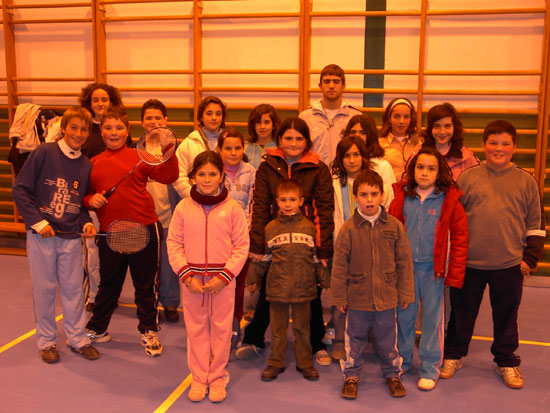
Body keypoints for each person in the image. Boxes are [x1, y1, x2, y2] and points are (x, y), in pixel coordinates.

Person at [440, 120, 545, 390]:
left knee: (506, 316)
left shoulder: (526, 181)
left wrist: (528, 260)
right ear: (484, 146)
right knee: (461, 315)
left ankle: (506, 361)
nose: (499, 148)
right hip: (469, 264)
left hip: (508, 265)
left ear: (514, 148)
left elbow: (536, 224)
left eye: (505, 143)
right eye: (493, 143)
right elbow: (455, 221)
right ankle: (453, 355)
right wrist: (454, 257)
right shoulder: (469, 177)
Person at [236, 117, 334, 367]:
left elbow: (324, 210)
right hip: (274, 244)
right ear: (280, 140)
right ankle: (254, 338)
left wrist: (322, 250)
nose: (293, 143)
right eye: (288, 138)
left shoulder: (318, 168)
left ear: (306, 141)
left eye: (298, 138)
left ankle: (316, 343)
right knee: (269, 293)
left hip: (306, 244)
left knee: (311, 295)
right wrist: (257, 246)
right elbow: (258, 208)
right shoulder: (267, 167)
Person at [84, 107, 178, 358]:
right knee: (109, 284)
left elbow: (170, 175)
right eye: (108, 128)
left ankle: (148, 330)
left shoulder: (141, 156)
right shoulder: (93, 163)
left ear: (127, 131)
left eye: (119, 128)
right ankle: (97, 328)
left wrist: (169, 149)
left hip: (145, 229)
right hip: (110, 233)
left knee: (145, 286)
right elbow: (84, 194)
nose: (113, 133)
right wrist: (89, 199)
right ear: (101, 131)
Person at [12, 106, 100, 363]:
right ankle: (47, 341)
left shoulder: (85, 165)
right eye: (74, 127)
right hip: (42, 237)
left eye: (84, 129)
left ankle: (78, 338)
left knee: (74, 290)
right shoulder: (44, 153)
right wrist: (38, 223)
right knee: (45, 288)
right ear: (63, 129)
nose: (79, 133)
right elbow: (20, 189)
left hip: (70, 238)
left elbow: (79, 203)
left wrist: (85, 223)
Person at [167, 151, 249, 403]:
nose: (206, 179)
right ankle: (200, 377)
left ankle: (217, 377)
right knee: (196, 330)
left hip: (221, 282)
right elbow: (174, 243)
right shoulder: (183, 207)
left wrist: (224, 277)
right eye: (201, 174)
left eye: (212, 174)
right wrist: (186, 275)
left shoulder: (233, 208)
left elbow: (241, 246)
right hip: (192, 283)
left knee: (222, 331)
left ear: (221, 175)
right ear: (192, 177)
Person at [388, 147, 468, 391]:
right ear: (413, 170)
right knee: (404, 317)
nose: (424, 173)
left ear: (439, 172)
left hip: (434, 272)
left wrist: (453, 272)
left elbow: (460, 238)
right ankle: (402, 361)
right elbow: (389, 233)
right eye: (420, 167)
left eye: (431, 168)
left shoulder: (449, 200)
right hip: (405, 271)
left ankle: (430, 367)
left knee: (433, 320)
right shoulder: (402, 197)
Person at [331, 169, 414, 399]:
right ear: (355, 196)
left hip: (387, 299)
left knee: (388, 342)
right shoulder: (348, 229)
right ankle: (351, 375)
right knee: (354, 341)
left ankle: (392, 375)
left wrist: (405, 292)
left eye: (374, 194)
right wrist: (339, 298)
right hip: (357, 299)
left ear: (382, 195)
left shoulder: (395, 226)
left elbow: (404, 262)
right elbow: (339, 267)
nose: (369, 199)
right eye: (364, 194)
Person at [246, 179, 329, 382]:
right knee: (278, 329)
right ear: (277, 201)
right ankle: (276, 362)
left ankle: (305, 363)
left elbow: (316, 259)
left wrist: (325, 280)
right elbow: (263, 259)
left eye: (292, 199)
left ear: (301, 201)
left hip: (304, 288)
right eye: (283, 199)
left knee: (302, 328)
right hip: (277, 289)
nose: (288, 203)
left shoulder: (309, 228)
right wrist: (253, 278)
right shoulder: (271, 228)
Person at [328, 135, 392, 362]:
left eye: (356, 154)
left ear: (364, 156)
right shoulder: (334, 182)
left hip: (371, 246)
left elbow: (387, 209)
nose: (352, 160)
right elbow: (331, 216)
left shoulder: (375, 181)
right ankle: (338, 340)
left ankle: (368, 338)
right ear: (340, 158)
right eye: (347, 155)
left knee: (370, 293)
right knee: (342, 294)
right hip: (343, 246)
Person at [78, 82, 132, 312]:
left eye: (104, 100)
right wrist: (88, 198)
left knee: (112, 252)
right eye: (95, 100)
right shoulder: (83, 131)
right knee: (91, 251)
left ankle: (109, 293)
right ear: (89, 104)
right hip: (92, 202)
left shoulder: (120, 130)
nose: (100, 104)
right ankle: (93, 295)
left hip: (115, 204)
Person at [141, 99, 181, 323]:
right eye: (149, 118)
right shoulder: (136, 148)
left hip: (168, 217)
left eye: (158, 118)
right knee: (146, 267)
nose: (153, 122)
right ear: (142, 122)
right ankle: (148, 304)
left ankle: (171, 303)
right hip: (144, 218)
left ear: (165, 121)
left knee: (168, 265)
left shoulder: (172, 148)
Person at [217, 128, 256, 346]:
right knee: (219, 284)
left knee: (237, 285)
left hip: (241, 239)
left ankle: (234, 326)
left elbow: (253, 204)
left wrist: (245, 234)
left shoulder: (251, 171)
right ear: (219, 150)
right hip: (217, 239)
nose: (233, 153)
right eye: (228, 148)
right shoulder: (213, 171)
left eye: (238, 148)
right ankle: (216, 326)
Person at [299, 64, 362, 165]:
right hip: (314, 175)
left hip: (345, 175)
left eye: (336, 82)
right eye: (327, 81)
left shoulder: (356, 117)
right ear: (320, 86)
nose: (331, 86)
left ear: (343, 86)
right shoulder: (305, 117)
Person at [173, 95, 226, 198]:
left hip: (225, 203)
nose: (214, 118)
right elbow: (178, 176)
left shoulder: (230, 144)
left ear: (222, 117)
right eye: (209, 113)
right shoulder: (188, 144)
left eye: (218, 114)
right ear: (201, 117)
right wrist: (195, 196)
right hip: (195, 203)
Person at [421, 103, 479, 180]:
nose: (442, 132)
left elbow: (478, 186)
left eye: (447, 126)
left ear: (454, 127)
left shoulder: (467, 157)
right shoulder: (418, 153)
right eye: (437, 126)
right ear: (430, 128)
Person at [342, 113, 396, 192]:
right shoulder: (341, 162)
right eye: (353, 132)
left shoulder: (382, 166)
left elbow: (390, 198)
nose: (357, 136)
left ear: (371, 136)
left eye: (363, 132)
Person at [379, 97, 422, 181]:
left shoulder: (418, 145)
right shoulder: (379, 144)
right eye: (397, 116)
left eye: (406, 117)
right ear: (389, 119)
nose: (401, 121)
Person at [245, 104, 281, 169]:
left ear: (273, 125)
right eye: (258, 122)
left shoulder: (280, 147)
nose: (262, 127)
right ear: (253, 125)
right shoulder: (244, 148)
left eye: (266, 122)